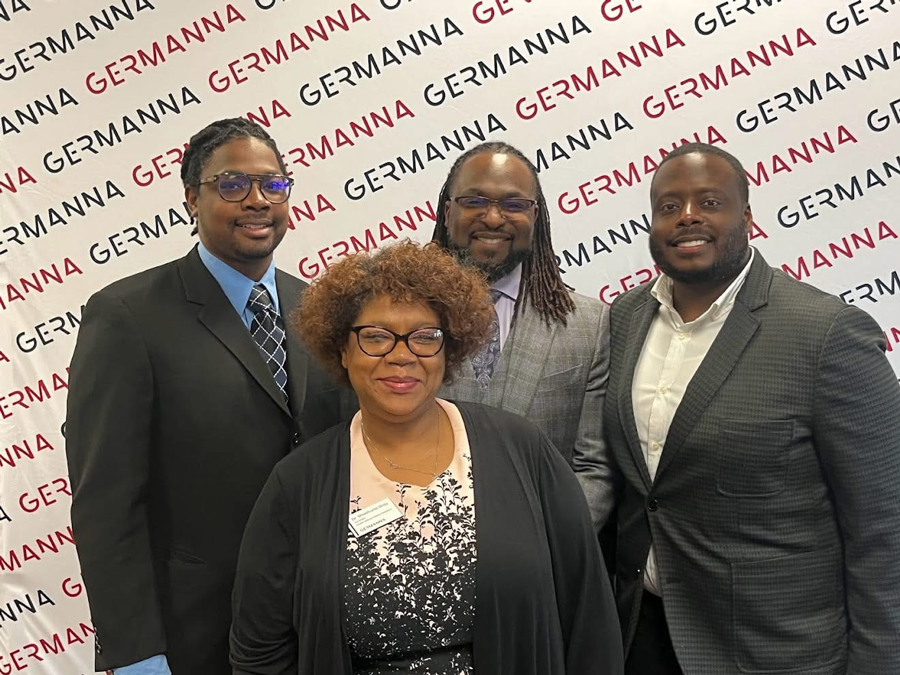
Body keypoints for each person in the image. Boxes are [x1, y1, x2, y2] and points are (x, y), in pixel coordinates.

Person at [230, 240, 623, 675]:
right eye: (376, 337)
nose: (401, 356)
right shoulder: (299, 482)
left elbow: (589, 616)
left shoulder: (521, 449)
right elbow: (259, 649)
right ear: (342, 350)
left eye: (424, 337)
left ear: (449, 347)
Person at [602, 142, 900, 674]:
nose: (687, 216)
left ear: (747, 216)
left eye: (709, 201)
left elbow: (884, 525)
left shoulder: (827, 334)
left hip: (775, 652)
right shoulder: (624, 319)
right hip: (639, 639)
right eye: (668, 206)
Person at [66, 118, 348, 675]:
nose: (257, 201)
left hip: (317, 625)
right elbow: (107, 503)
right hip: (193, 635)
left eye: (272, 185)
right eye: (233, 185)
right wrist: (136, 654)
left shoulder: (319, 309)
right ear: (192, 198)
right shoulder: (128, 316)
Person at [431, 141, 614, 534]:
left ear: (537, 217)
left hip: (545, 563)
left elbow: (594, 467)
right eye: (475, 201)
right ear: (448, 212)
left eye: (514, 205)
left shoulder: (589, 324)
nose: (493, 218)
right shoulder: (402, 318)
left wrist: (545, 546)